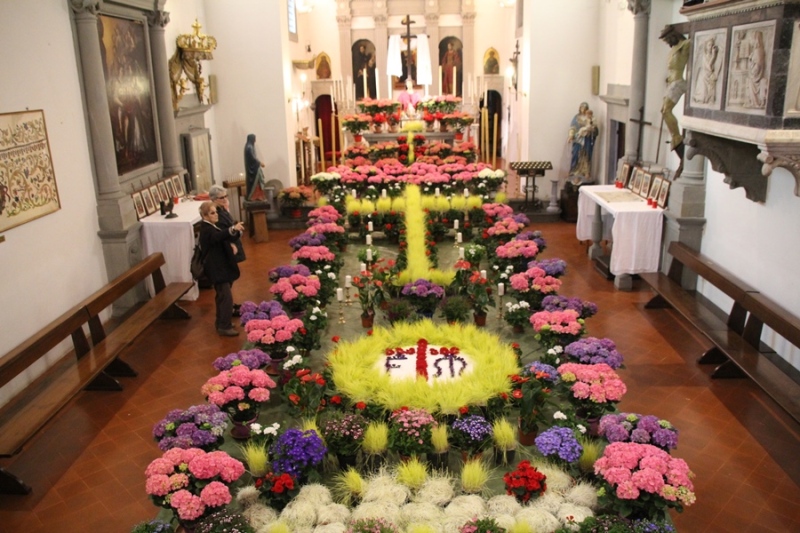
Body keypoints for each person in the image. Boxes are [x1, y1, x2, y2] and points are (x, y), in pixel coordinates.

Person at [198, 201, 245, 336]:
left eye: (216, 212)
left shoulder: (212, 226)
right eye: (212, 213)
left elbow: (223, 237)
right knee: (226, 298)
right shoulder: (206, 229)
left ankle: (221, 322)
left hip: (221, 268)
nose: (216, 215)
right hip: (217, 269)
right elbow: (217, 237)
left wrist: (235, 234)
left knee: (222, 297)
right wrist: (232, 229)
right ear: (204, 216)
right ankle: (224, 326)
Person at [209, 184, 245, 313]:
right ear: (213, 199)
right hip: (227, 249)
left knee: (230, 280)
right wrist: (237, 231)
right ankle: (226, 309)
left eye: (225, 196)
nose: (225, 199)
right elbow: (224, 232)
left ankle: (228, 305)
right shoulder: (216, 213)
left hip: (233, 246)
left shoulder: (223, 209)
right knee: (226, 283)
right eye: (221, 198)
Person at [659, 25, 691, 157]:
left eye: (667, 39)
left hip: (678, 82)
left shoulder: (685, 44)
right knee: (663, 111)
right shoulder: (673, 50)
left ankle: (677, 137)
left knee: (666, 110)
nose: (667, 42)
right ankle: (675, 136)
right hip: (671, 82)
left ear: (673, 35)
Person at [567, 103, 598, 181]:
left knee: (587, 154)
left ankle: (586, 171)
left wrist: (591, 130)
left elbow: (595, 130)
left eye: (585, 108)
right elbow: (573, 127)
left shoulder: (591, 118)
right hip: (578, 139)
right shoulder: (577, 118)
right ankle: (574, 170)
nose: (583, 110)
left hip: (587, 139)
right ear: (579, 108)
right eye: (582, 108)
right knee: (575, 153)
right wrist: (571, 136)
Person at [244, 134, 265, 200]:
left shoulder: (250, 146)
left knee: (258, 182)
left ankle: (258, 196)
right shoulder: (249, 147)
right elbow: (252, 158)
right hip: (253, 169)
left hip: (254, 167)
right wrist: (259, 163)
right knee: (256, 182)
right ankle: (253, 197)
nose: (255, 140)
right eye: (254, 139)